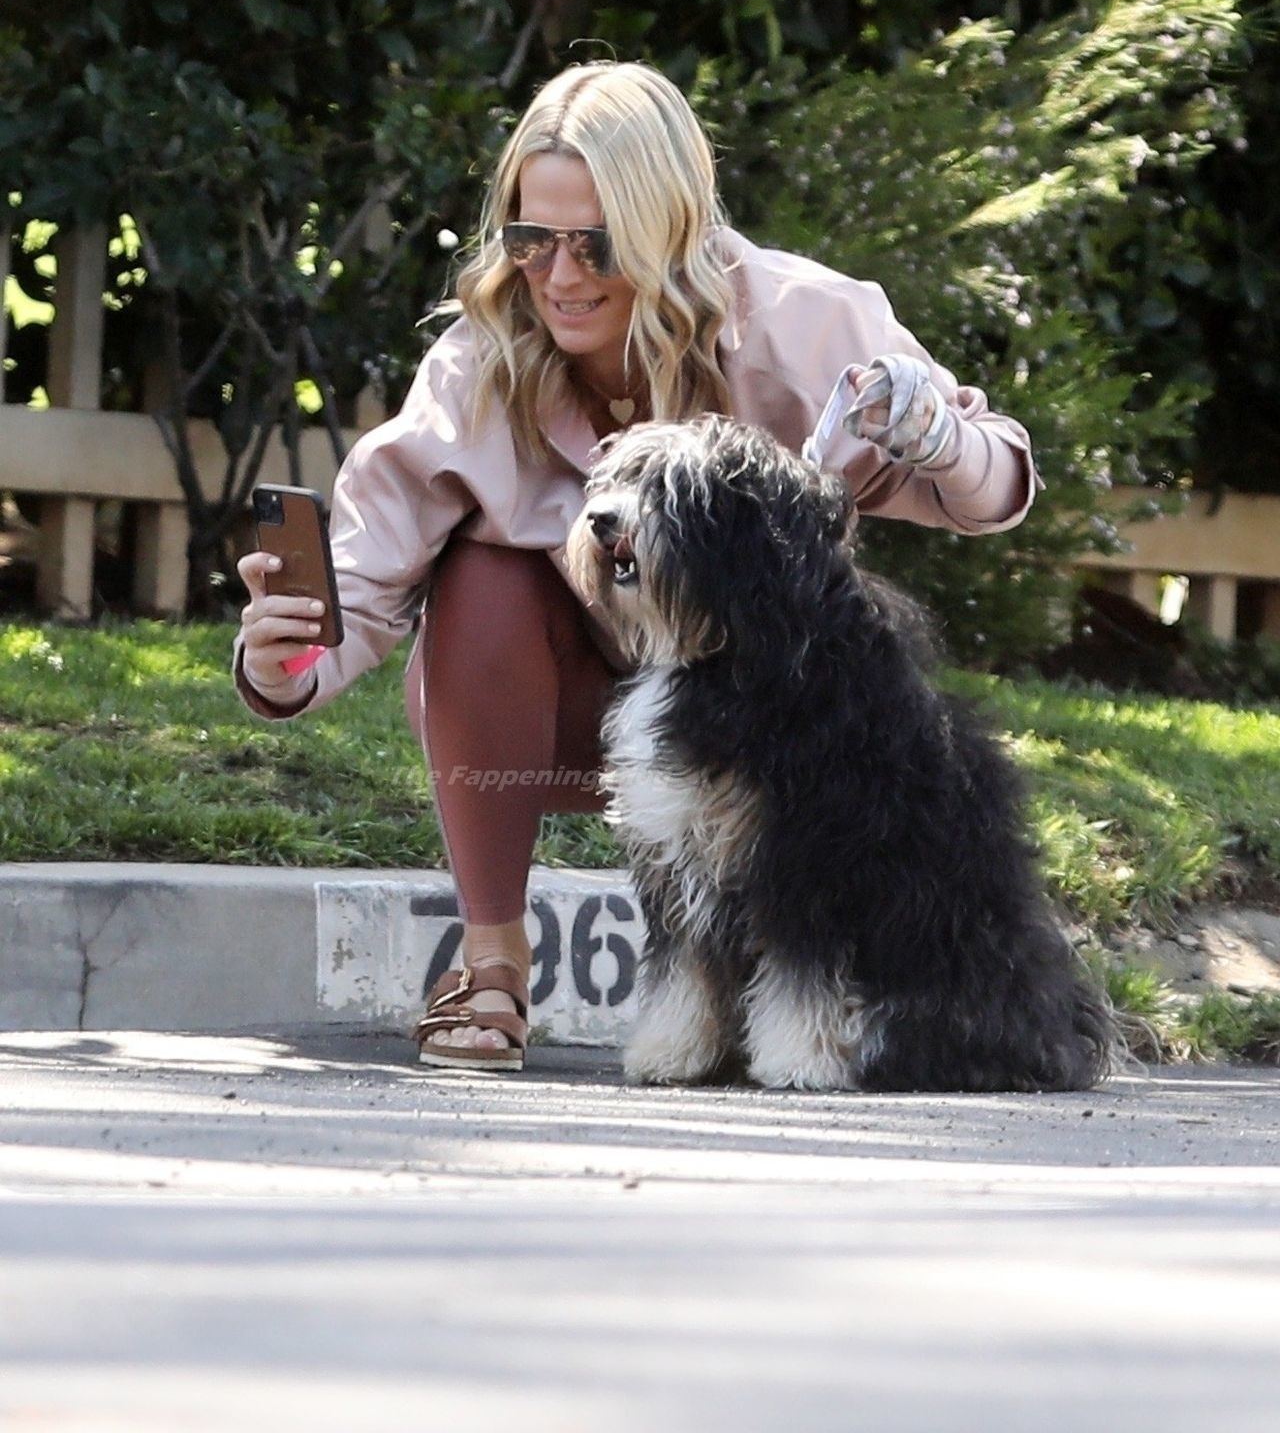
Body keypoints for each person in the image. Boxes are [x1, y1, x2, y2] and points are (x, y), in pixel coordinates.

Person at [235, 60, 1040, 1070]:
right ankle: (490, 966)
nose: (559, 277)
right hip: (568, 726)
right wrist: (284, 667)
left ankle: (812, 1000)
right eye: (531, 241)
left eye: (596, 244)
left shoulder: (802, 320)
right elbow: (364, 577)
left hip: (779, 731)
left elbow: (994, 489)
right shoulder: (481, 362)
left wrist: (937, 436)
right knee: (481, 576)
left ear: (670, 228)